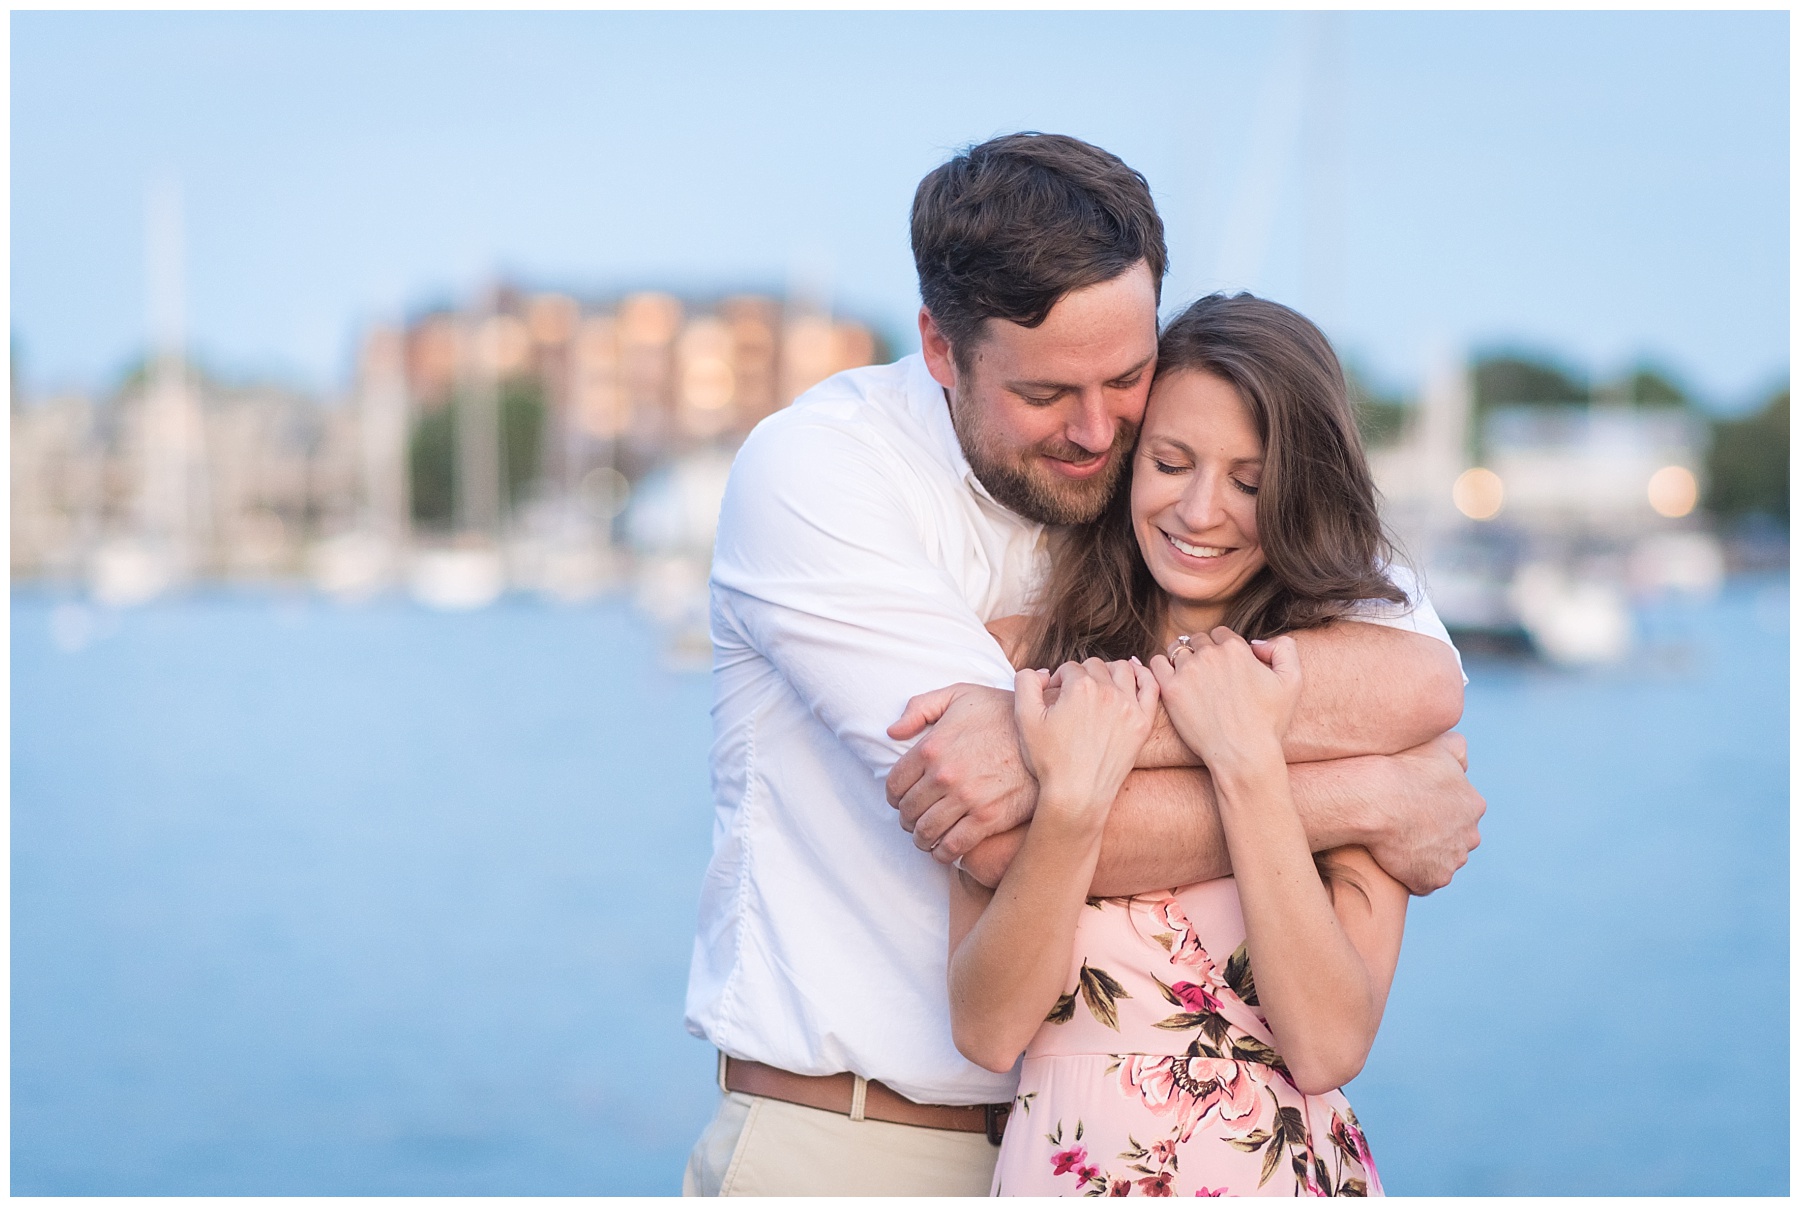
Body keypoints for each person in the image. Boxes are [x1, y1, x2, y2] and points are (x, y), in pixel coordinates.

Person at [682, 132, 1482, 1197]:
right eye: (1050, 392)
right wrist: (1373, 792)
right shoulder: (819, 472)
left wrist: (1102, 736)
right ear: (939, 346)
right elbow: (1000, 816)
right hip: (862, 1142)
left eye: (1126, 375)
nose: (1099, 430)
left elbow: (1418, 681)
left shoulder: (1182, 451)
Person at [951, 292, 1410, 1196]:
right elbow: (987, 1029)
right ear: (1127, 459)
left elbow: (1327, 1045)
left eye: (1249, 482)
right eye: (1170, 462)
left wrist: (1248, 761)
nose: (1201, 511)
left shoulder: (1349, 708)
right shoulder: (1023, 662)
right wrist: (1075, 801)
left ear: (1299, 493)